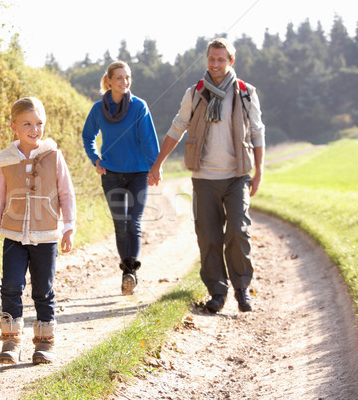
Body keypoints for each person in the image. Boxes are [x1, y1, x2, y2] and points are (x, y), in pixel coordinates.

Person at [148, 37, 265, 313]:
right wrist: (157, 164)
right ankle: (217, 291)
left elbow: (258, 131)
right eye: (211, 59)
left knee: (238, 231)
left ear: (230, 61)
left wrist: (259, 171)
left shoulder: (246, 92)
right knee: (208, 235)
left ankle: (242, 288)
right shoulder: (195, 93)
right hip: (203, 178)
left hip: (237, 176)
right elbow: (178, 127)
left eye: (220, 59)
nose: (215, 64)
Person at [0, 97, 76, 365]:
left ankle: (45, 343)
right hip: (13, 235)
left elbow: (66, 193)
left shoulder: (54, 156)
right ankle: (11, 342)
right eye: (27, 123)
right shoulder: (5, 161)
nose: (34, 129)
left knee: (43, 290)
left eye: (39, 123)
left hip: (46, 235)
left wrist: (68, 227)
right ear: (14, 126)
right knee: (11, 286)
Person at [82, 61, 160, 295]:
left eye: (127, 78)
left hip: (138, 172)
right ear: (108, 81)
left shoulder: (139, 106)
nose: (124, 82)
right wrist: (96, 159)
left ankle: (130, 272)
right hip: (112, 174)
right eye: (119, 78)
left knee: (133, 221)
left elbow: (148, 138)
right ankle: (127, 272)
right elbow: (88, 136)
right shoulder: (98, 109)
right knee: (120, 223)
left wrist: (155, 167)